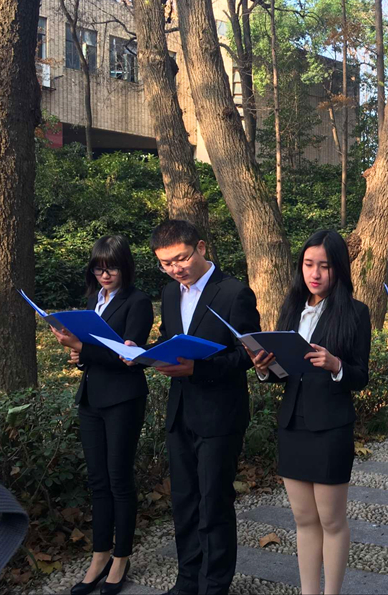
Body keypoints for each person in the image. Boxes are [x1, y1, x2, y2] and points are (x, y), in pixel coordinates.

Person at [125, 220, 260, 595]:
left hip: (220, 414)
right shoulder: (170, 293)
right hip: (180, 411)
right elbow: (170, 339)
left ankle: (214, 585)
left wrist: (198, 369)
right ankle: (187, 581)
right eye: (165, 263)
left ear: (200, 247)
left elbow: (248, 356)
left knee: (214, 503)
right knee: (184, 502)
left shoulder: (234, 293)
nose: (175, 268)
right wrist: (142, 352)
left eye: (181, 258)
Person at [247, 230, 371, 595]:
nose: (314, 274)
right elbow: (283, 372)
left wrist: (336, 365)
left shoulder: (355, 313)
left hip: (331, 426)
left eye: (324, 266)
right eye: (308, 264)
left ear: (339, 269)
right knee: (303, 518)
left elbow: (361, 376)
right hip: (293, 423)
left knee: (331, 520)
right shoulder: (291, 308)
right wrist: (264, 368)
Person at [51, 235, 154, 595]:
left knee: (118, 479)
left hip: (123, 398)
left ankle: (121, 558)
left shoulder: (138, 302)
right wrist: (80, 356)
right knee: (97, 481)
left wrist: (81, 347)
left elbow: (128, 357)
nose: (104, 275)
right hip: (91, 399)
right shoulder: (94, 301)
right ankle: (100, 555)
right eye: (98, 268)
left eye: (111, 268)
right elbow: (95, 355)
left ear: (125, 266)